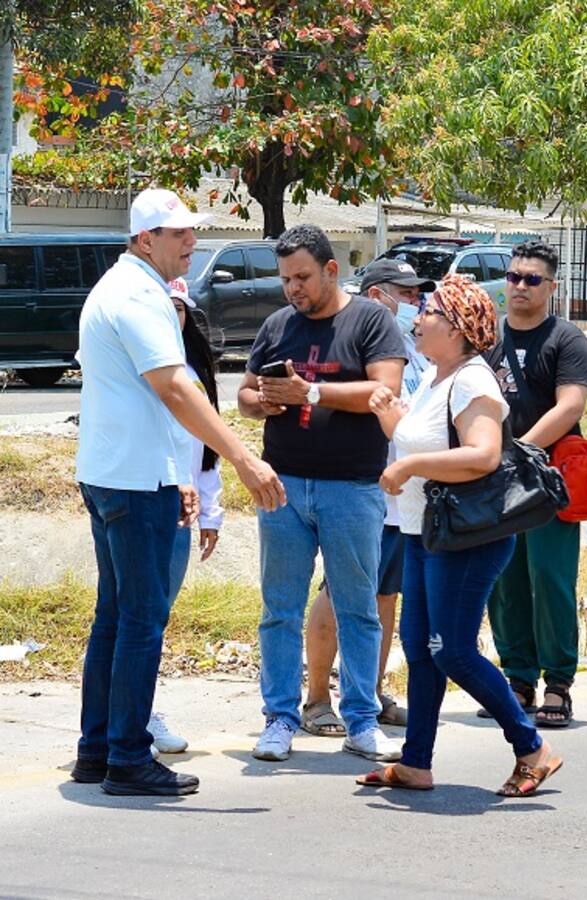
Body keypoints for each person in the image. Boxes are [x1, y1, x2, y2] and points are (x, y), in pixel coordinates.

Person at [72, 187, 285, 797]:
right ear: (145, 239)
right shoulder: (138, 295)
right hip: (132, 481)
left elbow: (147, 398)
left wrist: (182, 476)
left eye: (193, 232)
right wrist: (242, 457)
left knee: (115, 617)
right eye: (180, 234)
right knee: (139, 621)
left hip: (121, 473)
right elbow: (174, 388)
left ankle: (99, 751)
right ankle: (127, 759)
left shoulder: (121, 288)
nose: (192, 243)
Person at [355, 275, 563, 796]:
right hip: (425, 532)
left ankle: (532, 747)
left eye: (428, 311)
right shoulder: (434, 377)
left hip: (468, 539)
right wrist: (390, 421)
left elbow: (483, 454)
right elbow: (419, 441)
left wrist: (412, 466)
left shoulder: (473, 381)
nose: (417, 318)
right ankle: (415, 763)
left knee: (452, 652)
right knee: (421, 650)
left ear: (455, 328)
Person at [237, 224, 405, 763]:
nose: (293, 289)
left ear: (331, 270)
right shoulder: (278, 325)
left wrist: (311, 390)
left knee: (358, 608)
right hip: (283, 487)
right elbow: (242, 392)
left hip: (352, 488)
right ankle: (281, 718)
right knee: (279, 609)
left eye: (303, 277)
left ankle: (361, 719)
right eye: (285, 279)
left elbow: (385, 391)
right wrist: (260, 402)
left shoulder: (370, 320)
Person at [300, 260, 435, 737]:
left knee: (383, 599)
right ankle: (317, 698)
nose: (416, 303)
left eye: (419, 294)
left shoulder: (417, 352)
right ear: (378, 296)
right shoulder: (360, 343)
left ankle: (368, 694)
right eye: (405, 293)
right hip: (364, 490)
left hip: (404, 501)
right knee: (338, 594)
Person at [483, 240, 587, 728]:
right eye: (513, 277)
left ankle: (558, 683)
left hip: (548, 478)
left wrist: (520, 449)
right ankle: (518, 680)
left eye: (531, 279)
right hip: (493, 478)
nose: (520, 287)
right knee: (503, 581)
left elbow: (569, 406)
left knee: (550, 580)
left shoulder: (566, 339)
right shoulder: (486, 339)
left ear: (552, 286)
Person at [143, 278, 227, 756]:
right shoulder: (147, 366)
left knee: (157, 614)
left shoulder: (194, 370)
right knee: (140, 615)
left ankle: (140, 712)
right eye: (164, 306)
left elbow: (206, 452)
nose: (170, 316)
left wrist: (211, 512)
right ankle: (132, 718)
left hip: (183, 507)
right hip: (149, 498)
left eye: (179, 308)